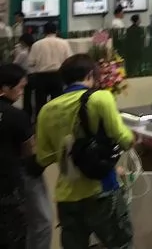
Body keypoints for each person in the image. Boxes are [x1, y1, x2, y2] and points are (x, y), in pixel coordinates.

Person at [36, 54, 135, 249]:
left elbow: (43, 157)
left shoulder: (46, 110)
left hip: (66, 197)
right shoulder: (100, 98)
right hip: (101, 191)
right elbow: (124, 139)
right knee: (120, 244)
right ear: (90, 75)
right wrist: (133, 139)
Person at [0, 63, 31, 249]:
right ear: (5, 88)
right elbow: (29, 149)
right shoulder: (16, 115)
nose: (21, 93)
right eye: (20, 88)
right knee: (13, 238)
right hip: (8, 187)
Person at [27, 22, 72, 118]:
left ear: (44, 31)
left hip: (41, 77)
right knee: (58, 102)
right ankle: (57, 121)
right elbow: (69, 60)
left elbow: (30, 63)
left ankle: (41, 122)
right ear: (56, 31)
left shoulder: (37, 44)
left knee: (40, 104)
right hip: (58, 76)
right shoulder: (64, 43)